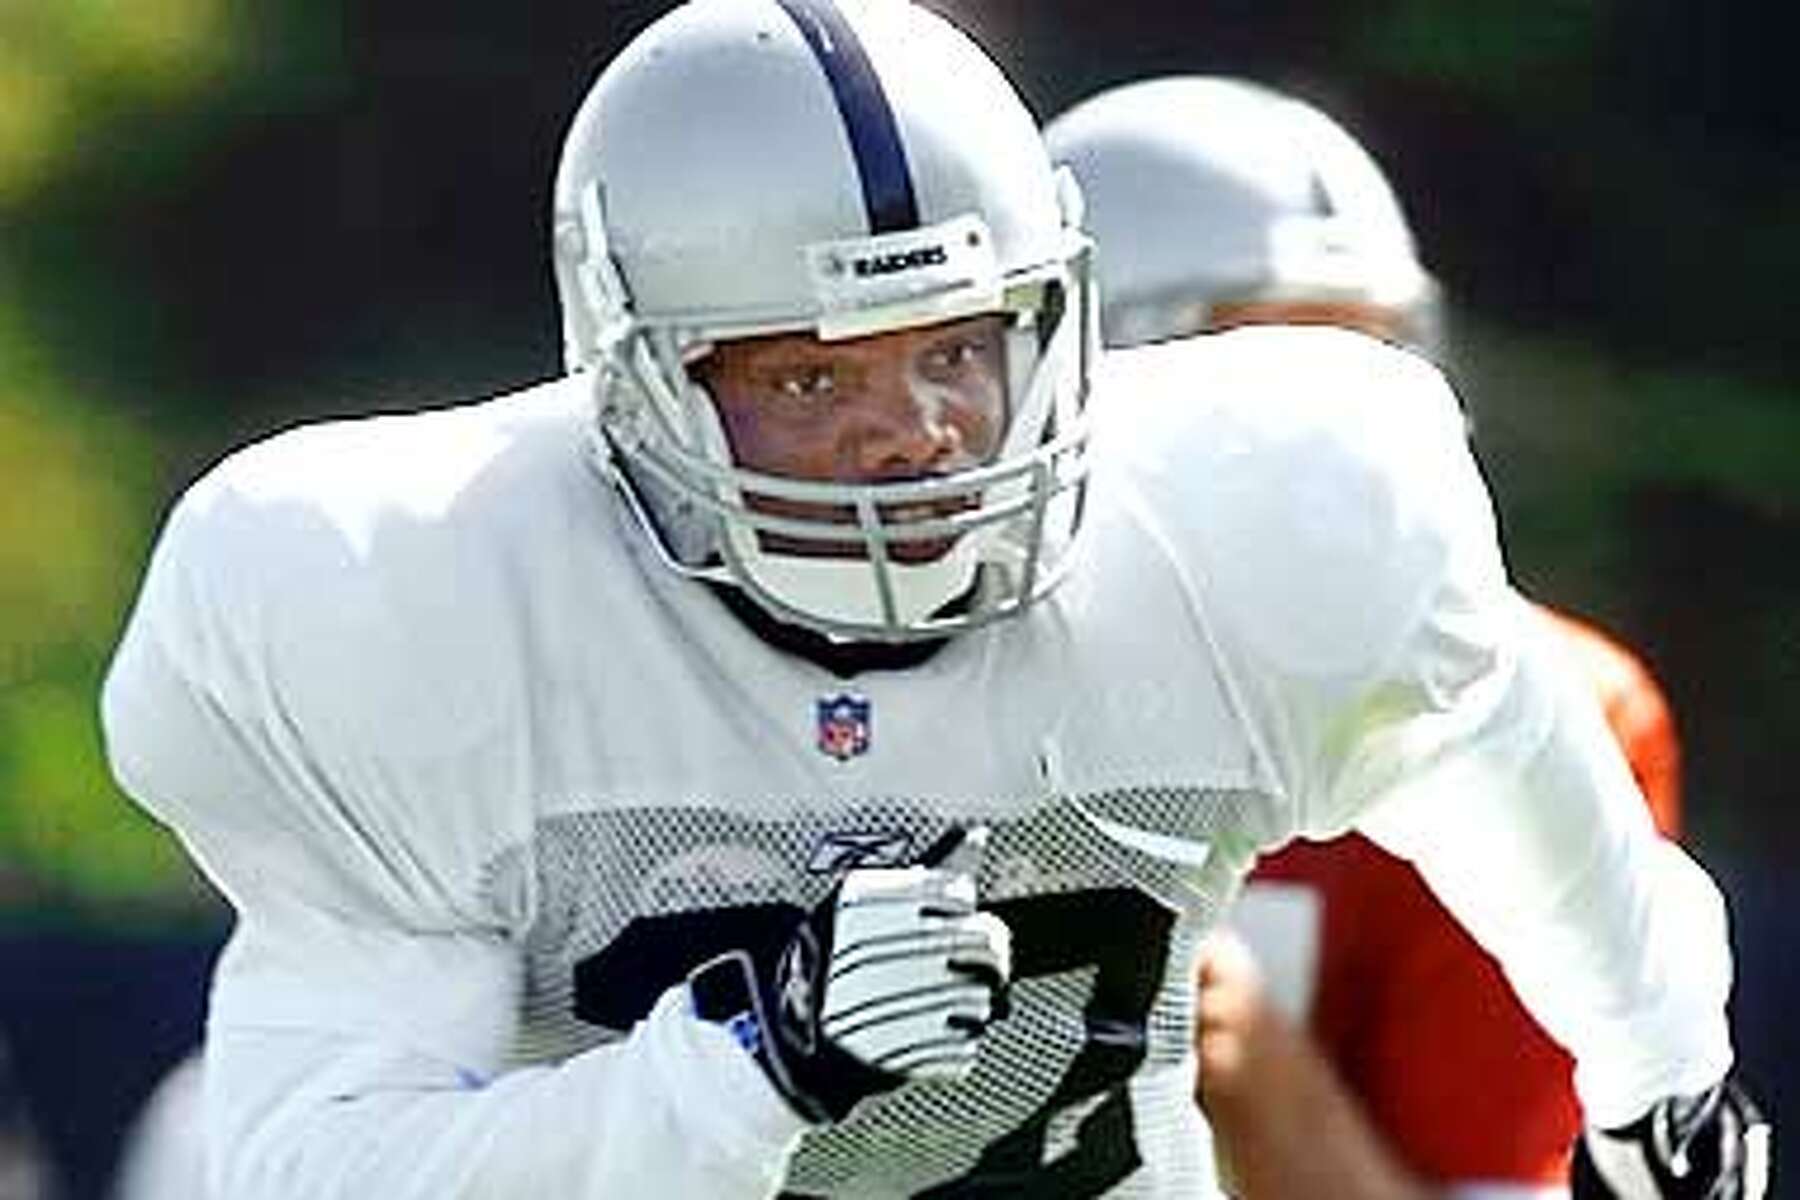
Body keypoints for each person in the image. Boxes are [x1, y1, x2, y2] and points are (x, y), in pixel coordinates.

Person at [99, 3, 1763, 1197]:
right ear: (641, 383)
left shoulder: (1259, 519)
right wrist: (748, 1067)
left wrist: (1660, 1062)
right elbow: (317, 1169)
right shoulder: (407, 598)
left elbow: (1537, 805)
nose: (918, 429)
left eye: (961, 348)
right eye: (816, 381)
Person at [1044, 74, 1757, 1198]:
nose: (1342, 450)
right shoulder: (866, 681)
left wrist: (1256, 1074)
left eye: (1378, 370)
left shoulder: (1519, 704)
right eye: (1282, 381)